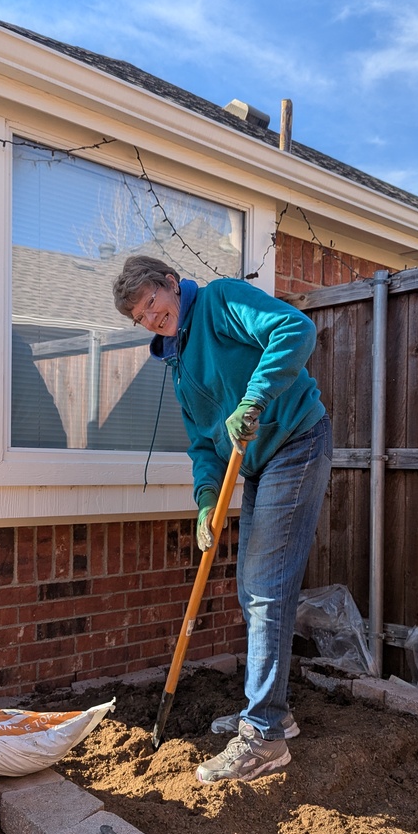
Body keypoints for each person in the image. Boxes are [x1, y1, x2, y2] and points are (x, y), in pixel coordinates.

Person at [113, 256, 332, 783]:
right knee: (251, 588)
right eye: (141, 319)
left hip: (294, 442)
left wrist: (255, 398)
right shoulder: (178, 362)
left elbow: (296, 329)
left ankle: (263, 736)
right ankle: (271, 710)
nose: (151, 320)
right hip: (254, 464)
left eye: (151, 305)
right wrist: (208, 498)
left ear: (170, 283)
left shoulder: (219, 302)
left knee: (265, 588)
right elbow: (202, 443)